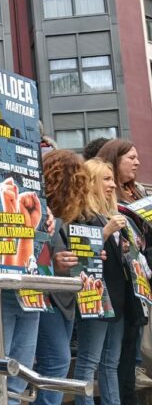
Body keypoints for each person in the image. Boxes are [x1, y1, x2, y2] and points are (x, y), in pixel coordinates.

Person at [73, 158, 139, 405]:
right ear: (90, 183)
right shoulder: (81, 216)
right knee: (89, 362)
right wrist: (106, 232)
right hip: (95, 298)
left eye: (112, 179)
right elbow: (79, 258)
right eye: (106, 179)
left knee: (111, 363)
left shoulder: (109, 214)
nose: (112, 185)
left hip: (117, 296)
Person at [33, 150, 93, 405]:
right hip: (44, 296)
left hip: (61, 296)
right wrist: (54, 263)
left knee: (57, 362)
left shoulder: (67, 215)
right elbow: (33, 253)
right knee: (56, 362)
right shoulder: (40, 209)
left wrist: (92, 259)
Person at [97, 139, 150, 405]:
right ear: (114, 160)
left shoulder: (139, 192)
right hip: (119, 282)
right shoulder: (104, 200)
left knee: (130, 351)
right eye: (131, 158)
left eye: (138, 158)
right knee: (115, 357)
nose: (137, 163)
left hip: (141, 281)